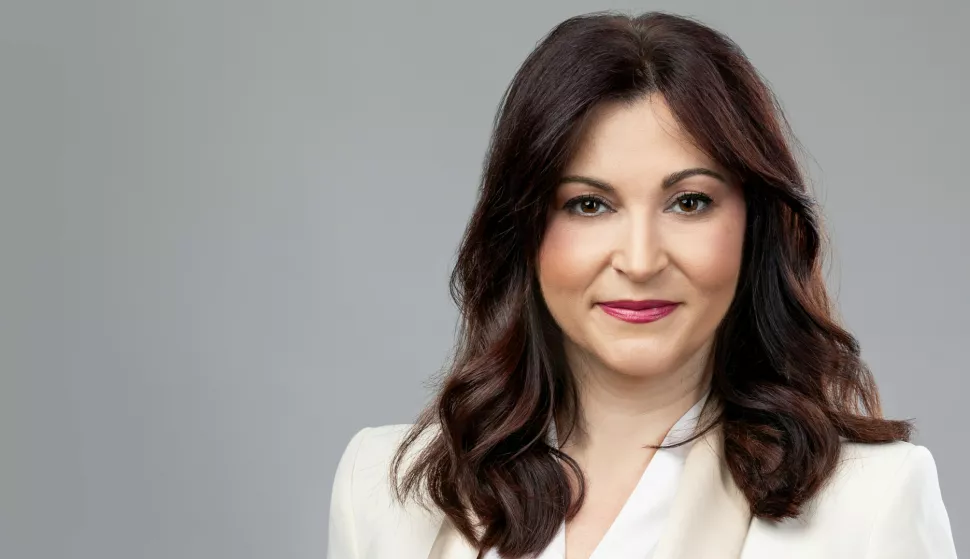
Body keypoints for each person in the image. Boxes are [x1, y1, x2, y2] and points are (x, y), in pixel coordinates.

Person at [327, 10, 957, 559]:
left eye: (689, 202)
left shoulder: (874, 502)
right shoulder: (382, 491)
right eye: (589, 205)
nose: (640, 259)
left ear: (754, 225)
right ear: (524, 231)